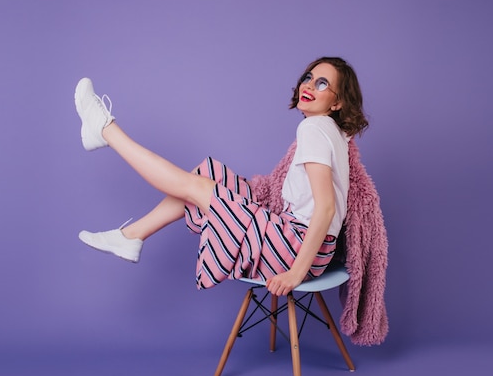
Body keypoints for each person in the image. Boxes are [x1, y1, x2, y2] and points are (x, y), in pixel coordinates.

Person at [75, 56, 369, 297]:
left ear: (337, 102)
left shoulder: (314, 128)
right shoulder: (334, 133)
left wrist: (296, 273)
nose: (309, 86)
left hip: (296, 248)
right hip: (308, 246)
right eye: (308, 77)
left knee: (196, 186)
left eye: (322, 84)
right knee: (209, 173)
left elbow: (326, 206)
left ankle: (106, 129)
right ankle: (132, 236)